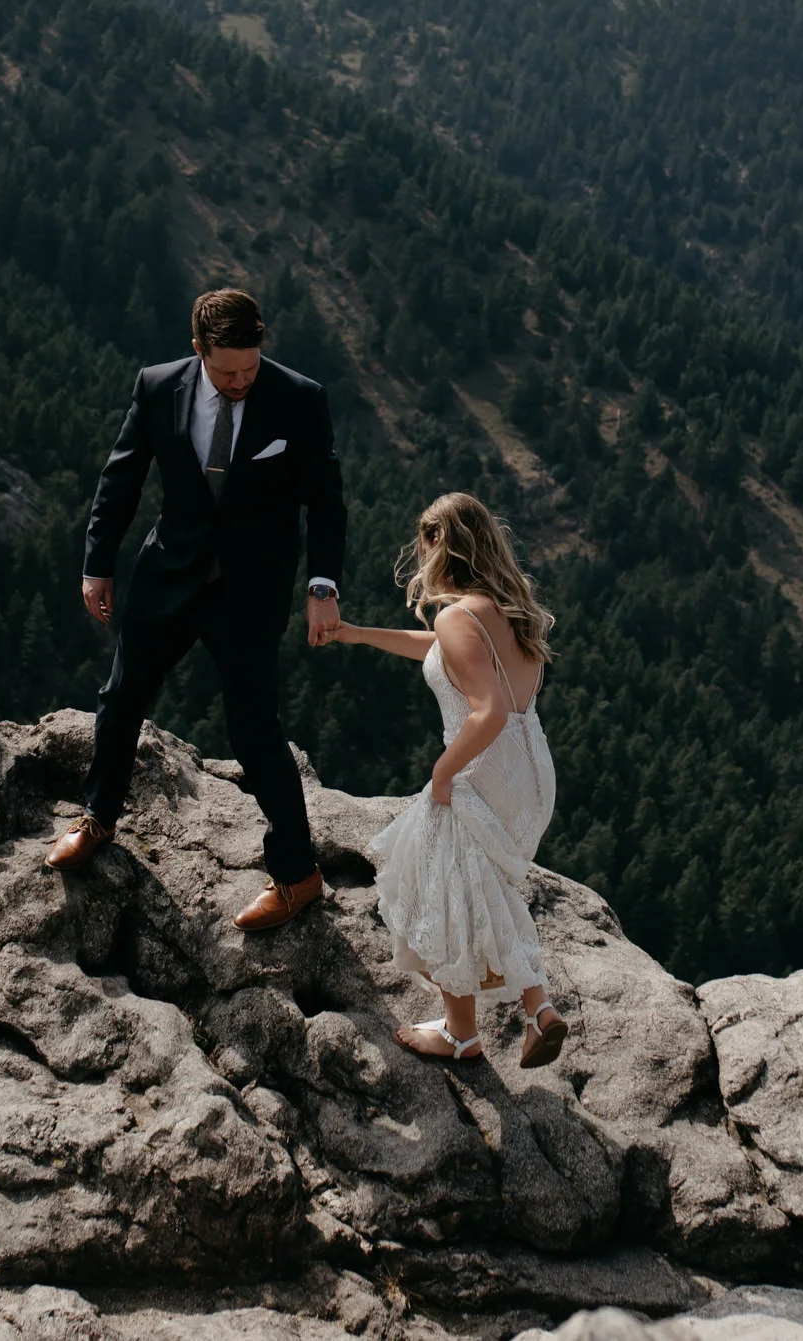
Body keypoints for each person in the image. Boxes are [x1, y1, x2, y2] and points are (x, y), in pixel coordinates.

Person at [50, 288, 347, 936]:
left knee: (253, 728)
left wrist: (322, 586)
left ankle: (298, 875)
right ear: (197, 351)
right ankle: (98, 817)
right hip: (169, 572)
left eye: (250, 367)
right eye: (227, 372)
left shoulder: (298, 397)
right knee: (122, 693)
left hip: (252, 588)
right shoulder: (158, 387)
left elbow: (325, 500)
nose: (241, 382)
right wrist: (96, 564)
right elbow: (121, 478)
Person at [320, 493, 568, 1068]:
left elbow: (488, 711)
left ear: (443, 547)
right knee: (483, 886)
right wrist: (356, 634)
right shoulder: (508, 609)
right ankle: (539, 1010)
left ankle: (462, 1033)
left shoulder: (459, 614)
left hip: (484, 765)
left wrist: (442, 772)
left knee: (441, 884)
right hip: (529, 772)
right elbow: (440, 651)